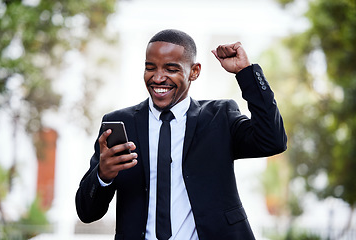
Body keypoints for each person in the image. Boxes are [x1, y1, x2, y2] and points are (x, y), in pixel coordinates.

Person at [75, 29, 287, 240]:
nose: (158, 78)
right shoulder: (121, 124)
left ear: (194, 71)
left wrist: (246, 73)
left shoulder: (220, 118)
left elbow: (272, 141)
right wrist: (103, 176)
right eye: (150, 68)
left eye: (171, 69)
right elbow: (87, 212)